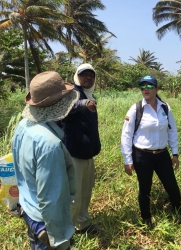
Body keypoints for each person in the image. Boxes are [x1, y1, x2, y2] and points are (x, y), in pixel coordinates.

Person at [12, 71, 79, 250]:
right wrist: (58, 238)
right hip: (45, 222)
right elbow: (51, 199)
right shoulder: (50, 144)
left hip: (28, 209)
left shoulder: (22, 126)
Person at [121, 74, 181, 228]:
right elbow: (126, 135)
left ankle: (179, 212)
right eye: (142, 86)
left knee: (172, 185)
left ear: (156, 88)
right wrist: (128, 160)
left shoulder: (165, 108)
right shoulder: (136, 109)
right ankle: (146, 218)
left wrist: (175, 153)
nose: (145, 89)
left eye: (149, 86)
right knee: (145, 187)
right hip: (142, 156)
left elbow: (172, 130)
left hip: (162, 155)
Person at [59, 63, 101, 235]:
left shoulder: (89, 95)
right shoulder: (73, 94)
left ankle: (82, 224)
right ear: (77, 76)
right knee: (73, 196)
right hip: (74, 152)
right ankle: (67, 232)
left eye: (91, 75)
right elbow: (67, 108)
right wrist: (83, 103)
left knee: (85, 192)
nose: (88, 78)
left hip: (88, 153)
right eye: (84, 75)